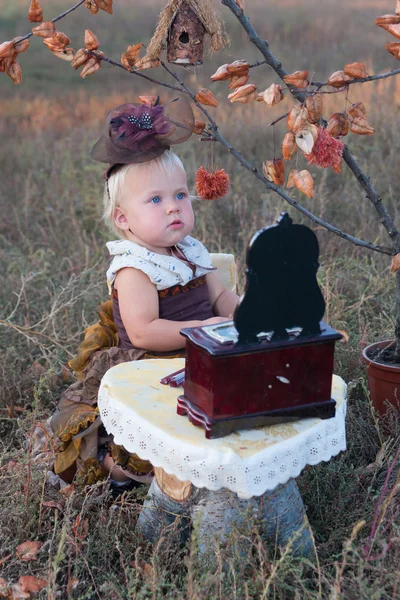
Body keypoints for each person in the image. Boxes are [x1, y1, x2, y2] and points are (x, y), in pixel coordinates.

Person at [50, 96, 239, 490]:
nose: (173, 208)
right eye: (155, 200)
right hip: (152, 360)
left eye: (180, 196)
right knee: (147, 437)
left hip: (197, 349)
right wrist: (204, 327)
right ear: (124, 219)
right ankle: (115, 469)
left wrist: (241, 315)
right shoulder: (134, 268)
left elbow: (219, 295)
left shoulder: (191, 250)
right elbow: (143, 331)